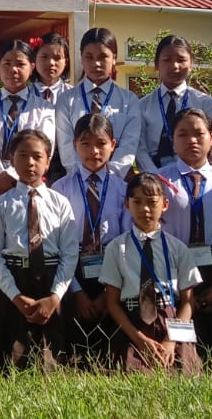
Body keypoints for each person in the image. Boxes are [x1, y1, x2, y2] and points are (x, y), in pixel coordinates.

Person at [153, 108, 212, 362]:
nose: (191, 140)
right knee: (184, 340)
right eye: (182, 134)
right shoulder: (160, 182)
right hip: (175, 267)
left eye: (199, 134)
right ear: (173, 140)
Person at [0, 129, 77, 370]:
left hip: (51, 278)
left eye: (37, 156)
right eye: (22, 155)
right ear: (12, 160)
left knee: (55, 357)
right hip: (15, 280)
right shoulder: (2, 204)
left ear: (48, 162)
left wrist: (55, 296)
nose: (30, 162)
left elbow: (69, 253)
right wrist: (15, 296)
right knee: (11, 358)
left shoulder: (60, 203)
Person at [101, 171, 203, 375]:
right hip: (132, 321)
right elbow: (112, 302)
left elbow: (188, 302)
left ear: (165, 204)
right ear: (127, 204)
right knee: (130, 374)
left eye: (152, 202)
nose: (145, 209)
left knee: (183, 373)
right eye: (137, 202)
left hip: (171, 320)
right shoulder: (116, 248)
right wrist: (139, 339)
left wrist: (170, 341)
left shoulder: (177, 248)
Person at [49, 113, 129, 365]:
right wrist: (77, 291)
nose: (94, 151)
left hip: (112, 268)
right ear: (74, 145)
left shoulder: (123, 190)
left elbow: (127, 242)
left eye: (101, 143)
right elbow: (57, 245)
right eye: (85, 143)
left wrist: (108, 293)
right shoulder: (59, 189)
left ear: (113, 145)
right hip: (72, 268)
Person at [0, 40, 57, 198]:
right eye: (7, 64)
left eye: (20, 64)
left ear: (32, 67)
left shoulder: (44, 108)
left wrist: (12, 176)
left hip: (29, 181)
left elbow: (45, 146)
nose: (13, 69)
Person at [56, 28, 140, 179]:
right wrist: (83, 176)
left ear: (114, 58)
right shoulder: (66, 99)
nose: (96, 63)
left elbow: (129, 145)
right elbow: (66, 145)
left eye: (103, 57)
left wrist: (109, 176)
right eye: (89, 57)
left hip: (116, 180)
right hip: (76, 180)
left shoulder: (129, 100)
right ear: (81, 58)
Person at [136, 35, 212, 175]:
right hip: (154, 177)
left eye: (181, 60)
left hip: (195, 175)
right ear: (156, 64)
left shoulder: (205, 103)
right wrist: (156, 178)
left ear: (191, 64)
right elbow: (140, 149)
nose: (175, 66)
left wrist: (192, 176)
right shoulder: (143, 106)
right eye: (167, 60)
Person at [32, 33, 74, 180]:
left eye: (57, 58)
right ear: (34, 60)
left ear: (66, 61)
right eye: (44, 57)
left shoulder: (73, 95)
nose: (51, 63)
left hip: (67, 164)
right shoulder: (25, 95)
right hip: (33, 161)